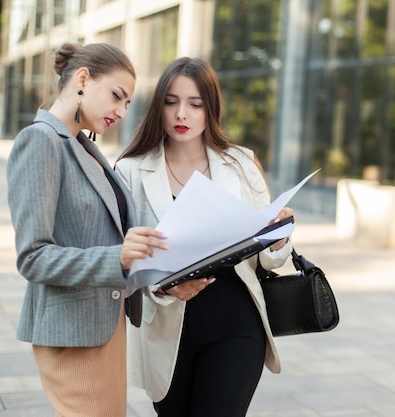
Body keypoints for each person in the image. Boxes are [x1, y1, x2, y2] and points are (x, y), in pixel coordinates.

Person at [115, 57, 294, 416]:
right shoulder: (130, 171)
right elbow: (121, 259)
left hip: (236, 321)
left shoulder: (241, 163)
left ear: (210, 109)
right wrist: (162, 287)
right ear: (159, 108)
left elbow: (270, 259)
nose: (182, 114)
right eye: (171, 102)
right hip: (166, 329)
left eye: (195, 104)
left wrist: (279, 238)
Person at [6, 42, 168, 417]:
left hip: (105, 330)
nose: (122, 111)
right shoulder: (40, 141)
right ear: (82, 79)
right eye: (117, 96)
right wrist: (118, 256)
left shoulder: (82, 146)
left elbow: (107, 235)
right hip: (72, 335)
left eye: (127, 103)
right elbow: (32, 257)